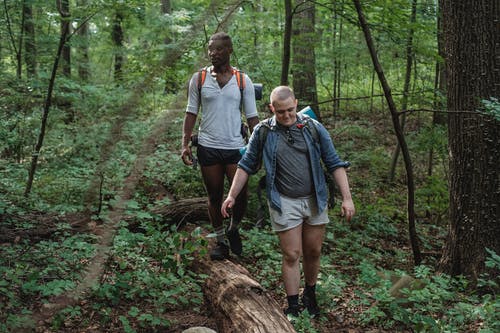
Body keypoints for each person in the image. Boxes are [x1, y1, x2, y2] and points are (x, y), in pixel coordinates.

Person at [221, 86, 355, 317]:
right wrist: (232, 194)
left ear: (296, 103)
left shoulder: (313, 128)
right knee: (292, 254)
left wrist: (347, 198)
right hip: (284, 200)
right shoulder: (263, 131)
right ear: (272, 108)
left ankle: (310, 295)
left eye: (291, 110)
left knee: (313, 251)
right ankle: (293, 305)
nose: (286, 116)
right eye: (281, 111)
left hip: (315, 198)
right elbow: (245, 166)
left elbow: (334, 163)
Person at [181, 32, 259, 260]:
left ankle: (233, 228)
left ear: (229, 51)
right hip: (208, 146)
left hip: (236, 147)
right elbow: (191, 112)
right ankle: (220, 241)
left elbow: (253, 117)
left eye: (218, 49)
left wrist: (260, 147)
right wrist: (185, 144)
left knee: (241, 194)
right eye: (210, 49)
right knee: (214, 196)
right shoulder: (199, 79)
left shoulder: (243, 81)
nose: (213, 53)